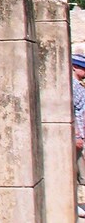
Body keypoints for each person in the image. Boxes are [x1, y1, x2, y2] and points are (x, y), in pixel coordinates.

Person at [72, 54, 85, 217]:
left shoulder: (77, 85)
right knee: (76, 171)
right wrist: (76, 136)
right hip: (79, 138)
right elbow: (71, 113)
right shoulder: (73, 86)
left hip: (81, 137)